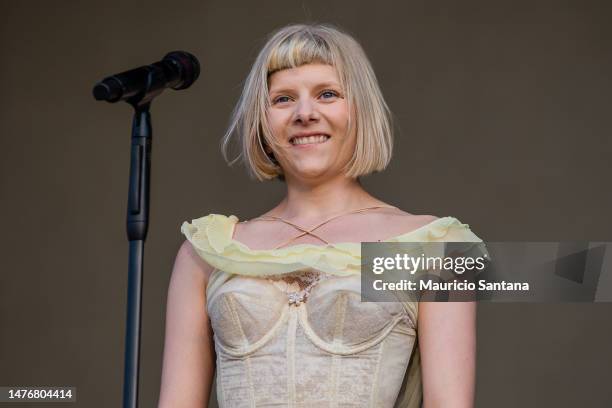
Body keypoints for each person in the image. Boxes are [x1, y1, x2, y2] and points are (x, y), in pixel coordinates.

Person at [158, 23, 486, 408]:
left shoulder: (433, 248)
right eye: (282, 99)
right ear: (262, 122)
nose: (304, 113)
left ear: (360, 110)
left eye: (327, 94)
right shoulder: (206, 253)